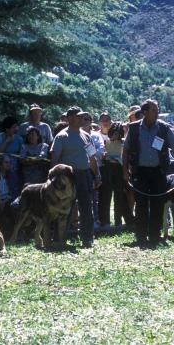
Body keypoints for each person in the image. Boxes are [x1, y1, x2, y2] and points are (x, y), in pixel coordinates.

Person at [122, 99, 174, 246]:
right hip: (140, 172)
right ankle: (140, 236)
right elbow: (125, 150)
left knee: (158, 204)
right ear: (145, 112)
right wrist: (125, 170)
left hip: (159, 172)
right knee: (141, 204)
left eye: (157, 109)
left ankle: (154, 235)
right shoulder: (133, 129)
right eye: (154, 110)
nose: (157, 112)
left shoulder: (164, 128)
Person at [51, 106, 102, 248]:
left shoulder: (86, 136)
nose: (82, 119)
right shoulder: (61, 136)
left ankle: (87, 238)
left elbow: (92, 158)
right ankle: (59, 239)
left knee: (86, 207)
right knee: (65, 208)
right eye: (79, 117)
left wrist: (97, 175)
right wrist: (56, 178)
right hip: (68, 177)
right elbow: (55, 158)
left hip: (85, 175)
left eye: (83, 117)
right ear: (70, 118)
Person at [101, 122, 133, 228]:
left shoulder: (123, 143)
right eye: (114, 134)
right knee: (106, 196)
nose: (116, 136)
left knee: (119, 197)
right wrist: (104, 156)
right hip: (108, 170)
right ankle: (105, 222)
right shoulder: (105, 142)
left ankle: (118, 221)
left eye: (118, 134)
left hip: (119, 170)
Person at [0, 156, 21, 238]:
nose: (8, 164)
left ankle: (12, 233)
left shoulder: (12, 175)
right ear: (0, 164)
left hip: (8, 200)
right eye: (6, 162)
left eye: (9, 162)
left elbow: (15, 191)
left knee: (13, 208)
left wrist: (7, 199)